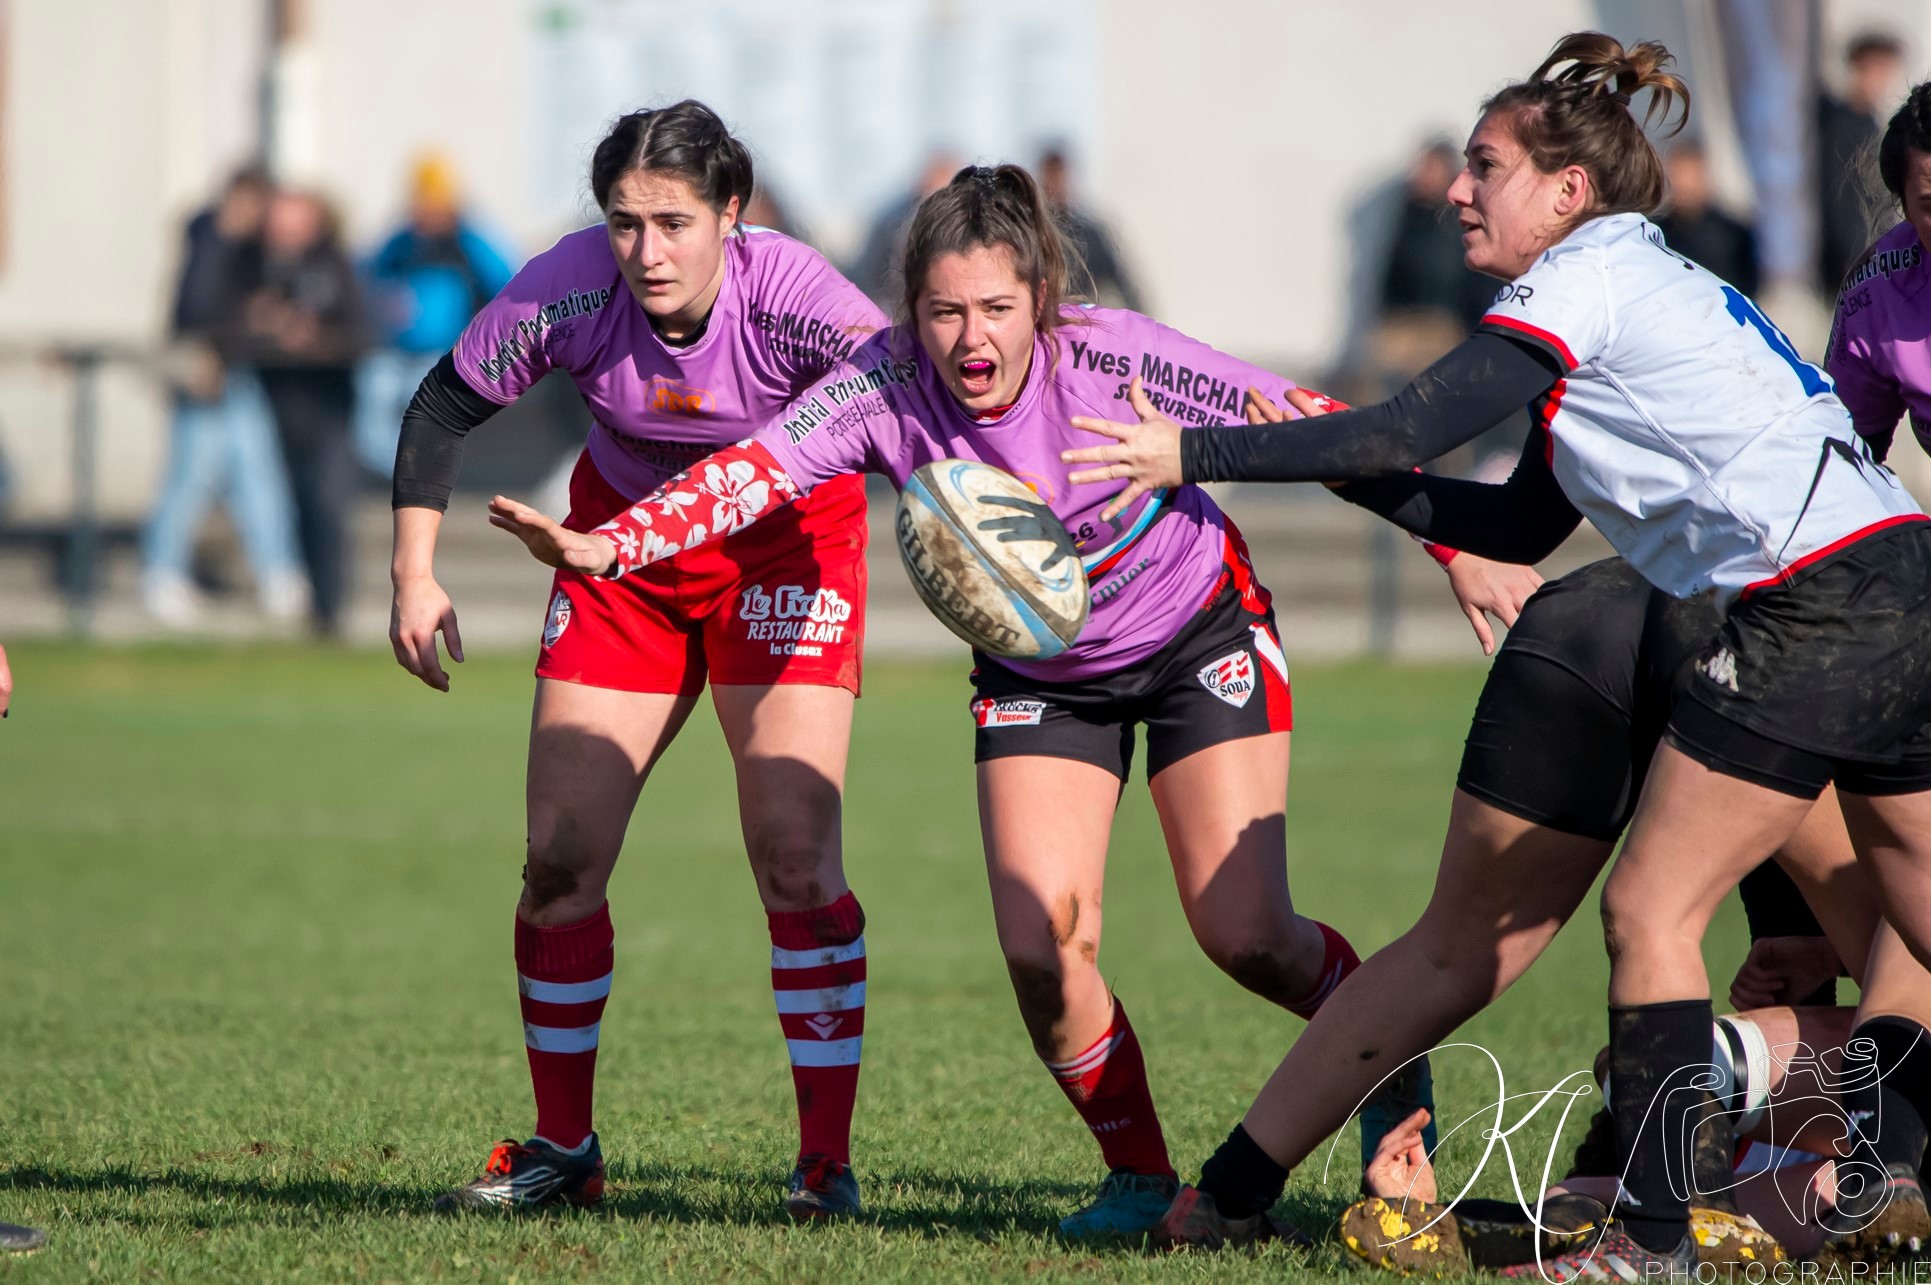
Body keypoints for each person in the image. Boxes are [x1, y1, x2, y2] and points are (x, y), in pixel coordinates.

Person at [486, 162, 1537, 1239]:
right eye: (942, 311)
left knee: (1247, 935)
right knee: (1041, 949)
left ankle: (1389, 1067)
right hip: (1041, 678)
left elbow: (1306, 420)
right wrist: (611, 542)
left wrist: (1453, 538)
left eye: (994, 308)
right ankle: (1136, 1177)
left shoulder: (1116, 355)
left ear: (1040, 296)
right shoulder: (882, 382)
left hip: (1193, 638)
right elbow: (751, 471)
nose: (968, 339)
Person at [1060, 32, 1931, 1277]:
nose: (1459, 189)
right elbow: (1517, 523)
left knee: (1647, 910)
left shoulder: (1577, 279)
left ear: (1566, 193)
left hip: (1812, 604)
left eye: (1486, 166)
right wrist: (1360, 484)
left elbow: (1416, 416)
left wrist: (1190, 453)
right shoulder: (1637, 288)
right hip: (1900, 580)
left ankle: (1647, 1241)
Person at [394, 101, 887, 1220]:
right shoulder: (567, 287)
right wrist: (413, 575)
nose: (646, 252)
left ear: (730, 214)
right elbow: (439, 408)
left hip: (787, 550)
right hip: (619, 556)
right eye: (624, 222)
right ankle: (562, 1149)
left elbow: (905, 396)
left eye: (672, 222)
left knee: (793, 857)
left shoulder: (800, 298)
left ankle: (822, 1163)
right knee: (559, 860)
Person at [141, 166, 307, 626]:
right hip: (205, 377)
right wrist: (250, 317)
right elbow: (197, 309)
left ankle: (278, 574)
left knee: (259, 479)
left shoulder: (245, 249)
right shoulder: (208, 239)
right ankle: (160, 573)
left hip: (236, 374)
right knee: (188, 480)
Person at [235, 189, 366, 637]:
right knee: (284, 507)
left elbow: (361, 330)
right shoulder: (249, 263)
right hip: (270, 405)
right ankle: (298, 596)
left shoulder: (334, 265)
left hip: (327, 409)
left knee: (326, 504)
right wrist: (263, 326)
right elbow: (212, 316)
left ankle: (329, 608)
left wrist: (312, 337)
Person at [356, 154, 513, 479]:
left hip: (447, 354)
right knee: (373, 395)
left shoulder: (469, 242)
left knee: (425, 408)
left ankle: (422, 474)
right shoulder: (402, 242)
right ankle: (405, 473)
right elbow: (369, 279)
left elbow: (509, 285)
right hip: (396, 354)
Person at [1819, 32, 1906, 292]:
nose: (1882, 80)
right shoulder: (1841, 124)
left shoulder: (1871, 123)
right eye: (1877, 69)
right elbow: (1840, 197)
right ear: (1857, 67)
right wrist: (1858, 255)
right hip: (1850, 261)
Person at [1037, 147, 1143, 311]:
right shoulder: (1032, 232)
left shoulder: (1090, 233)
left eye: (1059, 177)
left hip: (1081, 322)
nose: (1056, 185)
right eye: (1051, 177)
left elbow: (1123, 284)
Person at [1654, 140, 1759, 296]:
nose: (1685, 184)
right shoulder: (1655, 234)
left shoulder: (1733, 234)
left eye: (1691, 174)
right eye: (1680, 175)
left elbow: (1749, 286)